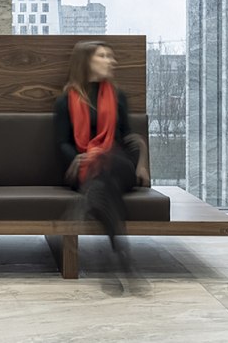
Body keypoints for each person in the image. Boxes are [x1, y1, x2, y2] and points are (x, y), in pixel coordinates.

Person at [53, 41, 150, 287]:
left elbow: (126, 137)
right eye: (104, 56)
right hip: (87, 170)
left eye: (111, 56)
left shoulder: (118, 97)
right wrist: (77, 158)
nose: (111, 61)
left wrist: (139, 159)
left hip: (119, 165)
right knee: (104, 187)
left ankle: (89, 201)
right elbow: (62, 142)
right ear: (86, 61)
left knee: (108, 164)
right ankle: (120, 253)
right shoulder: (66, 101)